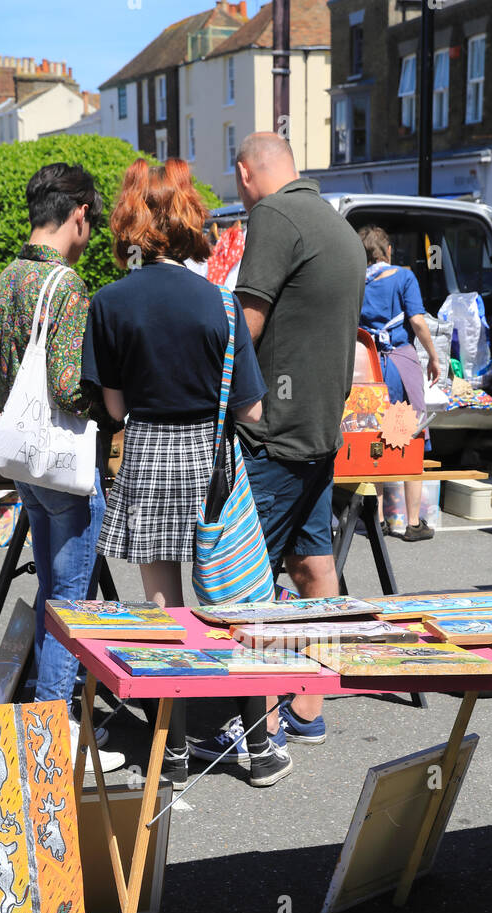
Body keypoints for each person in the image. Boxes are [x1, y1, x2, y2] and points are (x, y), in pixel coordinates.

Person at [81, 158, 282, 789]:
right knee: (236, 605)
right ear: (188, 215)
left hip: (148, 454)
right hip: (213, 461)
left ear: (132, 220)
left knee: (163, 612)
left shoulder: (109, 304)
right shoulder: (221, 306)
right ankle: (260, 749)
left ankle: (169, 750)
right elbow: (250, 408)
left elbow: (113, 408)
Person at [188, 132, 366, 767]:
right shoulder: (340, 226)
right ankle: (310, 708)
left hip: (273, 429)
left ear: (244, 174)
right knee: (316, 564)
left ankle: (261, 725)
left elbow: (246, 322)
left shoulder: (272, 215)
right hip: (320, 427)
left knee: (246, 578)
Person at [0, 162, 124, 773]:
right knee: (70, 596)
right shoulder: (63, 287)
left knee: (49, 583)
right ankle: (51, 735)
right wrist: (109, 405)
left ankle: (40, 720)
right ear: (81, 214)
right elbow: (69, 389)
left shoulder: (3, 281)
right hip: (65, 462)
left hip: (23, 459)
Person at [357, 225, 440, 541]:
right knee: (407, 438)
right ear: (387, 250)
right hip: (400, 364)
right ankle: (413, 522)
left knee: (377, 438)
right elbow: (417, 321)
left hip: (371, 365)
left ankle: (378, 520)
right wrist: (433, 356)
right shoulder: (404, 277)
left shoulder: (357, 282)